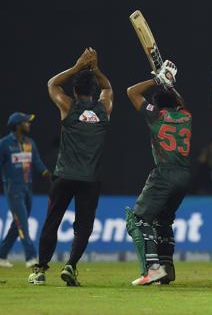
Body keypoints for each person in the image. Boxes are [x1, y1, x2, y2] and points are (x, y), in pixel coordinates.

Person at [29, 48, 112, 286]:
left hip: (64, 177)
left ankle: (40, 270)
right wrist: (95, 69)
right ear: (94, 92)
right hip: (89, 180)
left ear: (75, 92)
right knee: (83, 227)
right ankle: (70, 265)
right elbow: (108, 88)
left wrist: (77, 67)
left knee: (52, 222)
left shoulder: (68, 106)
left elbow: (52, 84)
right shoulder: (103, 109)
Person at [125, 61, 192, 285]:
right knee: (163, 222)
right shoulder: (186, 116)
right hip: (184, 177)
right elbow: (180, 101)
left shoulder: (155, 115)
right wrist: (169, 84)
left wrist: (157, 80)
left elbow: (131, 92)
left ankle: (152, 269)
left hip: (165, 174)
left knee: (138, 220)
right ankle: (167, 269)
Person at [0, 113, 49, 268]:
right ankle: (31, 257)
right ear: (17, 125)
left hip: (28, 188)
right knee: (23, 223)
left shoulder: (29, 143)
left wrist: (48, 174)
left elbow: (37, 162)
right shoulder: (5, 144)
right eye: (26, 122)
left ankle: (1, 256)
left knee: (17, 225)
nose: (29, 124)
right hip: (13, 188)